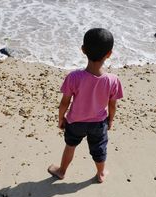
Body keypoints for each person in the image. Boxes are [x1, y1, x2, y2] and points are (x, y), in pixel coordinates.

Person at [48, 28, 123, 183]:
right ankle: (101, 173)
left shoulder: (74, 77)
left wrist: (61, 119)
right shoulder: (113, 80)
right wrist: (110, 120)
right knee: (99, 149)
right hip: (98, 123)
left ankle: (61, 171)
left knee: (70, 146)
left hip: (75, 122)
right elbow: (112, 105)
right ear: (109, 54)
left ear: (83, 50)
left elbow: (64, 103)